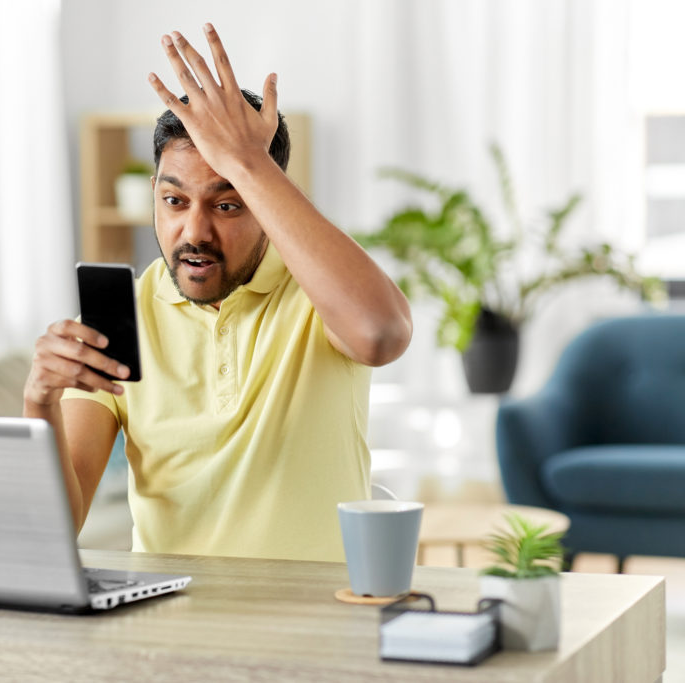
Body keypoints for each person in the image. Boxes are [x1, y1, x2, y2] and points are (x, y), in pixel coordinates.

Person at [24, 24, 412, 562]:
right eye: (174, 201)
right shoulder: (125, 316)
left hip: (315, 625)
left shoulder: (317, 294)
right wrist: (38, 401)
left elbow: (382, 335)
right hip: (168, 622)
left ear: (265, 199)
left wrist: (248, 161)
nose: (194, 232)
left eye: (227, 204)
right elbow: (53, 528)